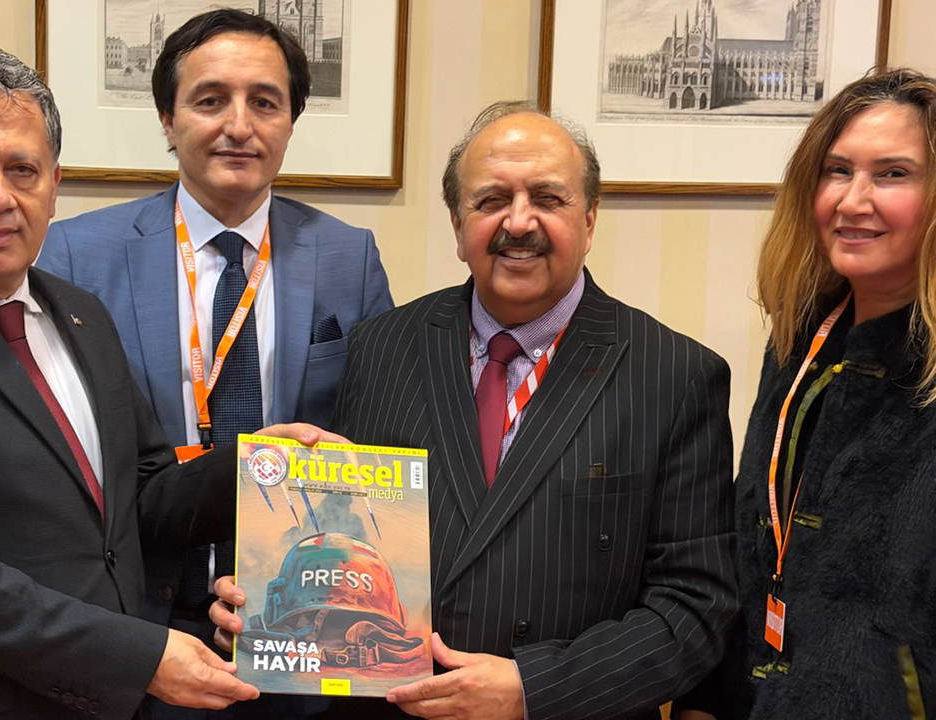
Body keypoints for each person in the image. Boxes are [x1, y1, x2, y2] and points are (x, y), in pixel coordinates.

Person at [0, 46, 337, 720]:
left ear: (53, 186)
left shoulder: (79, 314)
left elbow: (144, 495)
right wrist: (137, 657)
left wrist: (256, 467)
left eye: (22, 169)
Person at [211, 101, 738, 720]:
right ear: (458, 226)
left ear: (590, 218)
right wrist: (265, 606)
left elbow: (694, 609)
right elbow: (343, 533)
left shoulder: (675, 375)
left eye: (548, 198)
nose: (519, 221)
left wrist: (533, 689)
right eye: (491, 201)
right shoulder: (380, 348)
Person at [36, 11, 394, 691]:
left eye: (265, 102)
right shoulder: (76, 256)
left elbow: (369, 448)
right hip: (135, 626)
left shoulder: (349, 258)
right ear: (168, 121)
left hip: (295, 630)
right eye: (209, 100)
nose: (239, 125)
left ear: (291, 122)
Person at [676, 69, 936, 719]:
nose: (853, 200)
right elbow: (749, 557)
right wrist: (704, 703)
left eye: (893, 174)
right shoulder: (800, 344)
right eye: (838, 171)